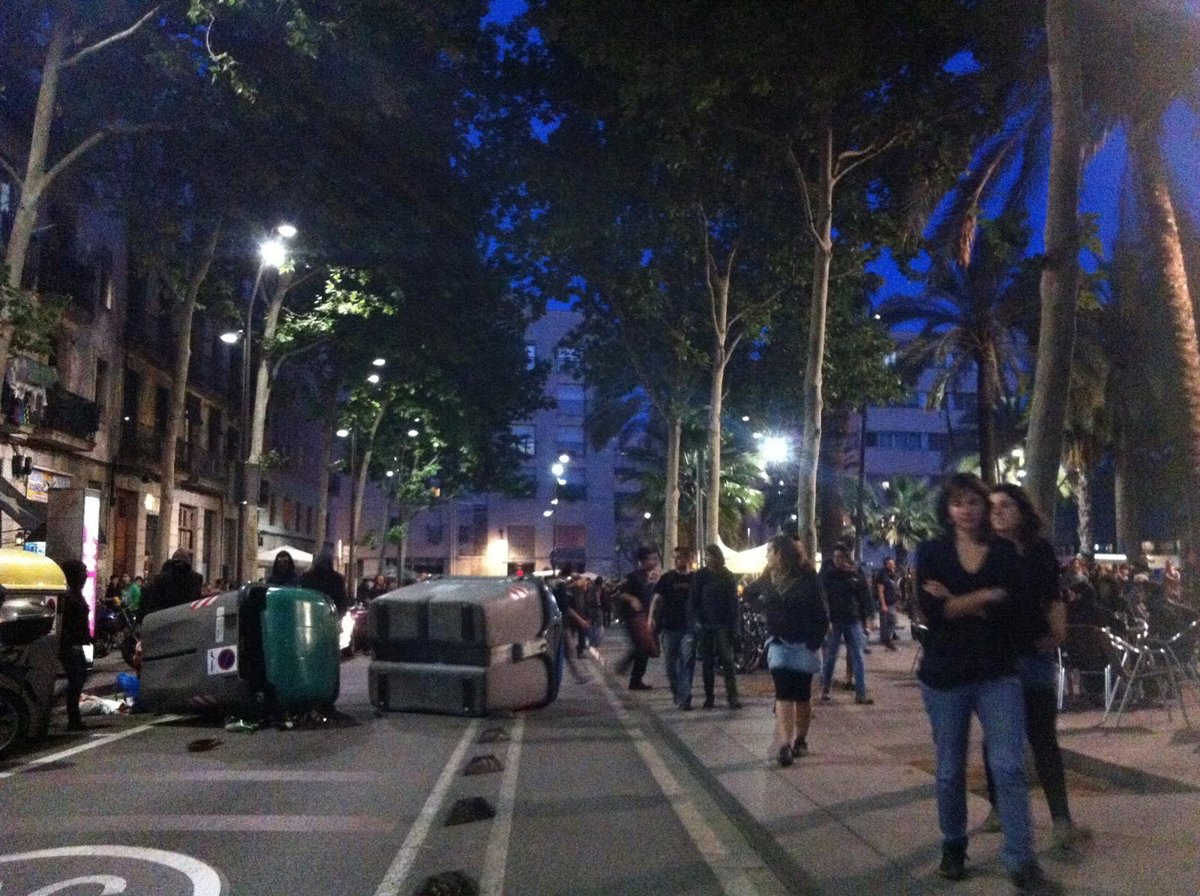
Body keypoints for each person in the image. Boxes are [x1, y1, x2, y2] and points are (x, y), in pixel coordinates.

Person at [916, 473, 1053, 891]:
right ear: (947, 509)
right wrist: (986, 597)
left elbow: (1018, 611)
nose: (967, 510)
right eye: (958, 502)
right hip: (945, 676)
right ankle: (954, 844)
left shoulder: (1004, 553)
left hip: (997, 672)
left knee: (1009, 766)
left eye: (974, 501)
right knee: (949, 770)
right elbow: (932, 613)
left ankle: (1020, 858)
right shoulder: (932, 552)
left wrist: (957, 601)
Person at [982, 484, 1090, 852]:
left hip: (1036, 653)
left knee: (1044, 739)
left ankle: (1061, 819)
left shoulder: (1039, 549)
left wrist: (1058, 631)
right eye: (992, 506)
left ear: (1022, 509)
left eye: (1005, 505)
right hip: (998, 659)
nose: (998, 512)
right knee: (998, 739)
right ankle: (998, 808)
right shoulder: (985, 550)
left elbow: (1053, 594)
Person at [744, 535, 829, 766]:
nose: (766, 556)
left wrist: (815, 641)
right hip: (779, 642)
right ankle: (785, 744)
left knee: (802, 695)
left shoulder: (807, 577)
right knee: (783, 693)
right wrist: (766, 609)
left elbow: (822, 612)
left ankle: (801, 739)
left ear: (780, 553)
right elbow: (748, 593)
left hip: (804, 643)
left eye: (769, 551)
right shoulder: (768, 577)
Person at [687, 544, 742, 709]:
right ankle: (709, 697)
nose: (707, 559)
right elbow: (693, 600)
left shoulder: (727, 576)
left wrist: (734, 625)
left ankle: (732, 696)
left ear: (717, 557)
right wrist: (696, 620)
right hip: (705, 625)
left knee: (728, 661)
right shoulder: (700, 576)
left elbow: (733, 603)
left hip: (723, 624)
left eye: (710, 555)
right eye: (706, 556)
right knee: (707, 662)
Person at [819, 544, 873, 705]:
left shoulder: (856, 574)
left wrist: (867, 619)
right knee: (831, 657)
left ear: (847, 558)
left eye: (841, 557)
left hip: (853, 619)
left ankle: (861, 693)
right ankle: (825, 688)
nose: (837, 560)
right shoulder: (828, 575)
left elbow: (864, 597)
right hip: (834, 621)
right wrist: (826, 618)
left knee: (858, 656)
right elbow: (823, 597)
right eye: (835, 557)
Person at [650, 546, 696, 708]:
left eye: (680, 557)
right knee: (670, 665)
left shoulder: (695, 579)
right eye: (675, 558)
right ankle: (677, 691)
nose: (677, 561)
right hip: (669, 627)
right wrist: (651, 618)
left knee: (687, 661)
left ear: (688, 559)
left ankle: (685, 697)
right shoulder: (667, 578)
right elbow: (656, 598)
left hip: (688, 627)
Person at [615, 546, 660, 691]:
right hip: (632, 617)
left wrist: (651, 617)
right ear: (642, 561)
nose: (654, 562)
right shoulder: (633, 577)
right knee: (642, 646)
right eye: (652, 559)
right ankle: (630, 672)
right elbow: (621, 593)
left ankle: (636, 679)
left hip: (644, 616)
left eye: (655, 559)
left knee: (644, 648)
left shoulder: (648, 577)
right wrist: (632, 599)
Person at [58, 558, 92, 732]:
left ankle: (74, 716)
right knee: (76, 679)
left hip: (78, 643)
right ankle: (73, 717)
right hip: (71, 644)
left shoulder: (76, 594)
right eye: (82, 572)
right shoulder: (69, 596)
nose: (85, 576)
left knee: (80, 677)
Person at [139, 549, 203, 618]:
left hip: (166, 617)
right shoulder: (197, 578)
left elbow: (154, 603)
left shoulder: (161, 578)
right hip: (187, 616)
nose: (180, 566)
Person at [299, 551, 349, 616]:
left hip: (311, 613)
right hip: (329, 614)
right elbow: (342, 602)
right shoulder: (336, 578)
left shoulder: (307, 577)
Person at [874, 557, 902, 650]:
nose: (892, 565)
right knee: (890, 621)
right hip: (886, 602)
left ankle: (887, 639)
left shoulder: (891, 574)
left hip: (891, 602)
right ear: (886, 564)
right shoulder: (882, 575)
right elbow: (880, 591)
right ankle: (886, 640)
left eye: (893, 563)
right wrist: (883, 604)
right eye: (890, 563)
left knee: (889, 621)